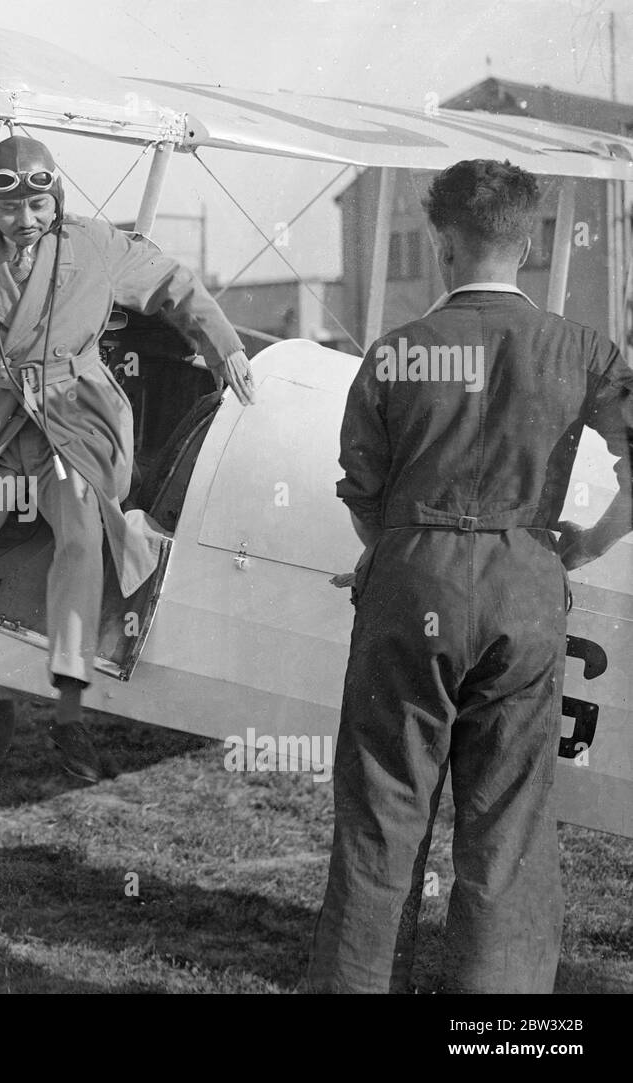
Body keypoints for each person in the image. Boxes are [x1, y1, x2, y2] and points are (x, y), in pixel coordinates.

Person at [307, 159, 633, 993]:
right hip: (526, 587)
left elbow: (364, 493)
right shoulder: (583, 350)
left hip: (411, 583)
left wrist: (394, 559)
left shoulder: (396, 353)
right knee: (508, 824)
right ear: (527, 245)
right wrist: (590, 540)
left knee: (382, 812)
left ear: (441, 242)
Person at [0, 135, 255, 780]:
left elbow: (175, 284)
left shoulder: (97, 246)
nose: (24, 222)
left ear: (55, 199)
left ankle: (68, 707)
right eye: (9, 211)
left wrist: (223, 347)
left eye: (38, 206)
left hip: (74, 423)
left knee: (84, 539)